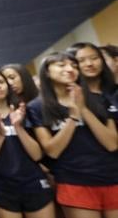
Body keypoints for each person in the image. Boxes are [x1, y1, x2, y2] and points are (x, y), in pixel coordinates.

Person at [27, 52, 118, 218]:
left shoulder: (99, 99)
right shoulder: (36, 107)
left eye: (74, 66)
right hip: (74, 181)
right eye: (61, 65)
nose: (70, 69)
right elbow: (52, 150)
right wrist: (73, 116)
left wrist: (83, 109)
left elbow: (112, 143)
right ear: (46, 72)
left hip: (112, 176)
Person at [0, 70, 54, 218]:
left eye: (1, 82)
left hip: (33, 182)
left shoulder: (24, 110)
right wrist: (1, 135)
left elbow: (37, 155)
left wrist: (19, 128)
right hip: (0, 186)